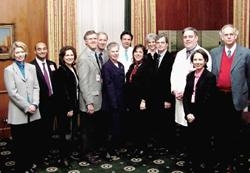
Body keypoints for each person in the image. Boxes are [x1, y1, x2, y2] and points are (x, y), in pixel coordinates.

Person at [210, 24, 250, 172]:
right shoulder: (214, 52)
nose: (228, 37)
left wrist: (248, 100)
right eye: (225, 34)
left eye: (231, 34)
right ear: (221, 36)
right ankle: (220, 160)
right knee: (219, 131)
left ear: (236, 35)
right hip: (218, 97)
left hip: (236, 97)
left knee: (233, 131)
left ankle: (230, 161)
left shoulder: (246, 53)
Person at [170, 27, 211, 154]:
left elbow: (205, 79)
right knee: (183, 127)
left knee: (197, 128)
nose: (187, 39)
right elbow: (174, 73)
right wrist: (174, 90)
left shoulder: (203, 53)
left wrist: (185, 93)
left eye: (190, 36)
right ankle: (188, 153)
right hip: (179, 96)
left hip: (195, 100)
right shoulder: (180, 54)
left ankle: (198, 154)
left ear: (196, 38)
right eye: (185, 37)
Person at [4, 41, 41, 173]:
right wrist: (27, 106)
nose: (20, 54)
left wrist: (35, 104)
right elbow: (12, 93)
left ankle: (30, 164)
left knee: (31, 141)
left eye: (21, 52)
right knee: (20, 143)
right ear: (13, 54)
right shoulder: (8, 70)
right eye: (17, 52)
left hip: (34, 111)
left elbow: (36, 87)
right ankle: (22, 167)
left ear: (25, 52)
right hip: (19, 112)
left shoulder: (32, 67)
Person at [183, 49, 216, 172]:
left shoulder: (210, 77)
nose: (197, 62)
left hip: (204, 115)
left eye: (200, 59)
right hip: (190, 113)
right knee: (192, 141)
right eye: (195, 59)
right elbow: (186, 96)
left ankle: (207, 166)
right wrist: (188, 113)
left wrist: (195, 114)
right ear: (192, 61)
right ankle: (195, 164)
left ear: (205, 60)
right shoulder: (189, 76)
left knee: (204, 141)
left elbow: (208, 99)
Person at [76, 30, 102, 164]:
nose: (93, 41)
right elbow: (83, 83)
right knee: (86, 130)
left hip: (97, 100)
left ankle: (91, 151)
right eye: (90, 39)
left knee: (92, 129)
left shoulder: (95, 55)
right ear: (85, 41)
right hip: (89, 101)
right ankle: (86, 154)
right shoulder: (83, 58)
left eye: (95, 38)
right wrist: (89, 103)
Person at [30, 42, 57, 165]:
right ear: (35, 51)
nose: (42, 51)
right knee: (38, 132)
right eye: (39, 49)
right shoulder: (30, 66)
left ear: (47, 50)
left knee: (48, 130)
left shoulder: (52, 64)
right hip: (39, 104)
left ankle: (47, 153)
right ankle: (39, 156)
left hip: (52, 103)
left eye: (44, 49)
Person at [147, 32, 175, 151]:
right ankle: (158, 144)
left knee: (166, 122)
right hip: (154, 97)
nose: (159, 45)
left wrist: (168, 99)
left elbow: (171, 80)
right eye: (157, 42)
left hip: (165, 97)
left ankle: (167, 146)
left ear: (167, 44)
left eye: (162, 42)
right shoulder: (154, 58)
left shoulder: (171, 58)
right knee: (156, 121)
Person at [54, 46, 79, 168]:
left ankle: (68, 154)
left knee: (71, 132)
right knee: (65, 134)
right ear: (62, 57)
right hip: (65, 108)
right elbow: (63, 92)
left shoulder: (72, 68)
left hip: (73, 106)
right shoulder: (61, 71)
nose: (70, 57)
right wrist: (69, 108)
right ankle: (63, 158)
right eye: (67, 55)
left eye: (71, 55)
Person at [124, 44, 150, 156]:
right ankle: (135, 146)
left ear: (143, 54)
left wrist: (144, 100)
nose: (137, 54)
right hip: (131, 101)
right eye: (136, 52)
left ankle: (142, 147)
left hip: (141, 101)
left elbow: (149, 86)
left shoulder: (147, 67)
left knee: (142, 125)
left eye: (140, 52)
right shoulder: (132, 66)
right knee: (134, 124)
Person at [101, 42, 125, 156]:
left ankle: (115, 148)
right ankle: (107, 151)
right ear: (108, 52)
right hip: (111, 103)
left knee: (118, 127)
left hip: (120, 102)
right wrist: (114, 104)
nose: (115, 53)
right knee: (110, 128)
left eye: (117, 51)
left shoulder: (121, 65)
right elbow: (108, 86)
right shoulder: (106, 67)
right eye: (113, 51)